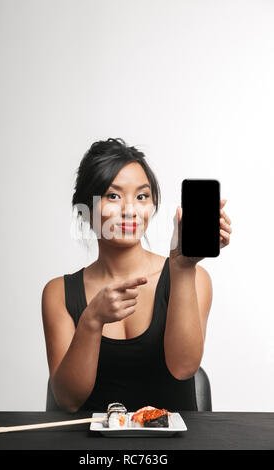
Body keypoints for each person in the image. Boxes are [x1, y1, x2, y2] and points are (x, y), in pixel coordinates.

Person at [41, 137, 232, 413]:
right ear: (85, 209)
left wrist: (181, 267)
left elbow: (183, 367)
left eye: (142, 196)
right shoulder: (58, 293)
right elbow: (68, 400)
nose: (130, 210)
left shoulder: (194, 277)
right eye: (113, 196)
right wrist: (91, 320)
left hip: (174, 445)